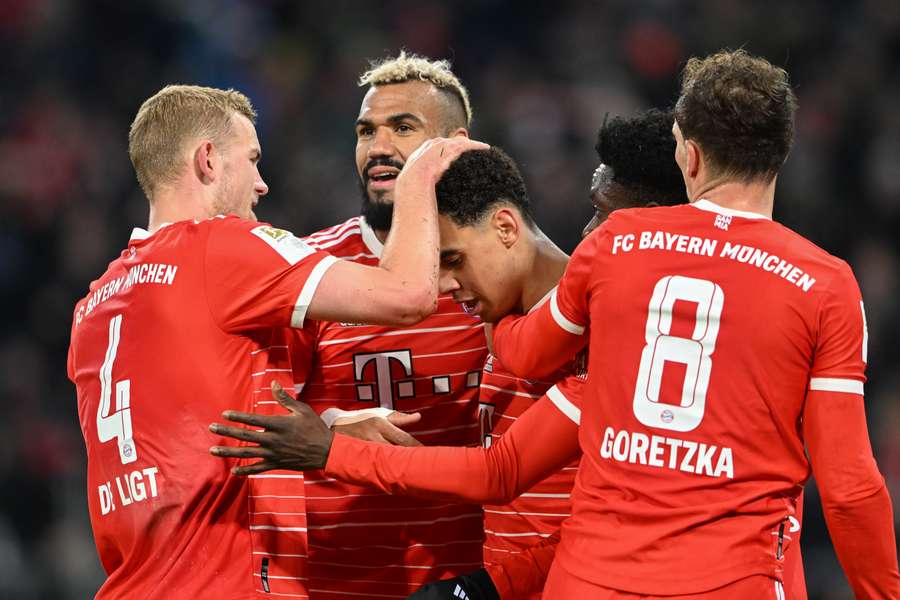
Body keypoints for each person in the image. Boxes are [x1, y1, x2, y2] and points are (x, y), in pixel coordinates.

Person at [217, 111, 818, 599]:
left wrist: (486, 588)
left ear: (504, 227)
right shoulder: (494, 317)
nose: (443, 289)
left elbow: (579, 503)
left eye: (451, 261)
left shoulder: (612, 333)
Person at [485, 49, 899, 598]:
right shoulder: (825, 283)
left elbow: (528, 355)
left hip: (593, 578)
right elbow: (848, 489)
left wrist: (495, 300)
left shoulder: (616, 242)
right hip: (734, 580)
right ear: (781, 154)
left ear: (691, 156)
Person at [67, 84, 485, 599]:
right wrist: (420, 174)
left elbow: (189, 427)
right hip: (224, 585)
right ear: (208, 160)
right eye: (253, 159)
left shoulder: (95, 305)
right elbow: (409, 293)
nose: (262, 184)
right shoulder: (219, 247)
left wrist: (328, 424)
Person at [287, 52, 491, 598]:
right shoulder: (307, 271)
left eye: (403, 128)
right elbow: (249, 404)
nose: (378, 147)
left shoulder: (498, 270)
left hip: (469, 580)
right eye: (366, 131)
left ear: (454, 141)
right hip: (339, 581)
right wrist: (329, 424)